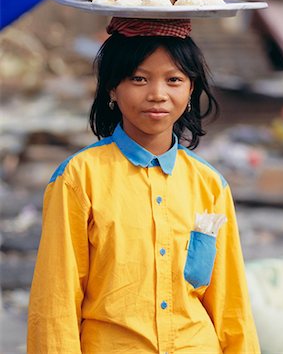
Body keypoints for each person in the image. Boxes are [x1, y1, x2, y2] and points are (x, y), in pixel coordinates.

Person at [27, 17, 260, 354]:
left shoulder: (210, 185)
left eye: (174, 80)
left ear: (191, 89)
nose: (157, 95)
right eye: (139, 78)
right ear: (111, 87)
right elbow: (55, 303)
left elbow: (230, 304)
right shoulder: (79, 178)